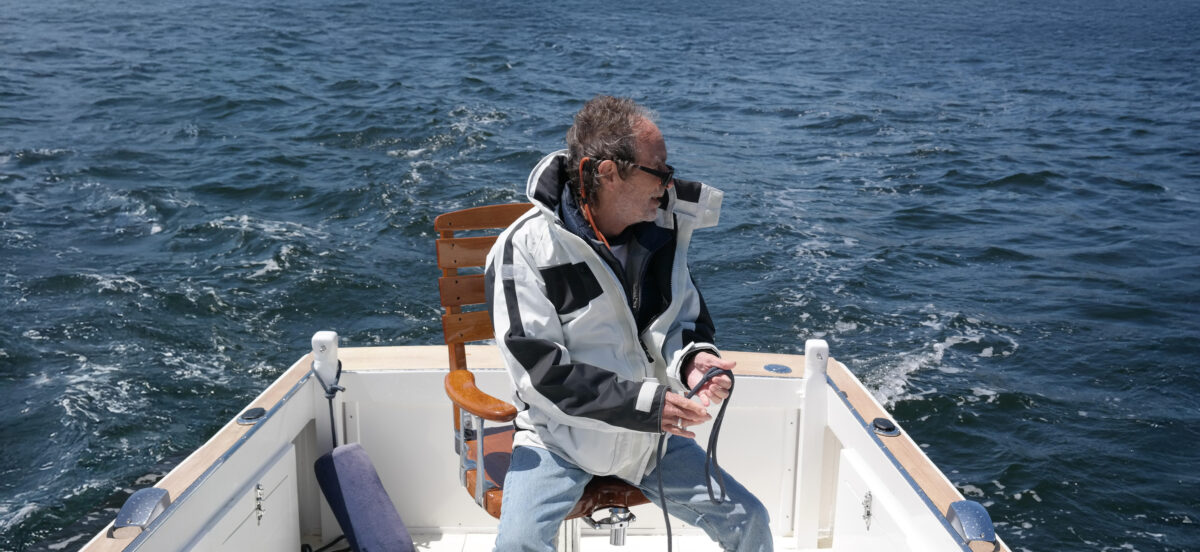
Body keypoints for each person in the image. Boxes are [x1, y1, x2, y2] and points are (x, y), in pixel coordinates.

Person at [486, 95, 771, 551]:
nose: (668, 182)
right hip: (560, 440)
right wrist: (646, 406)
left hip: (650, 441)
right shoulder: (523, 249)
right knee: (517, 544)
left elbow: (682, 321)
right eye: (658, 170)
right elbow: (540, 373)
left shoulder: (662, 235)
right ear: (607, 173)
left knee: (750, 520)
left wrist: (694, 363)